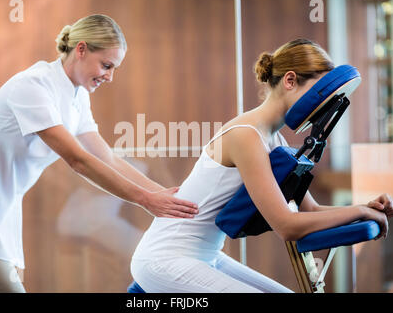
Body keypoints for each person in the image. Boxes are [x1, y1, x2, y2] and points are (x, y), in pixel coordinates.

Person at [0, 14, 198, 293]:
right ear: (81, 49)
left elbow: (106, 157)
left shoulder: (78, 96)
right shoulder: (33, 85)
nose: (110, 76)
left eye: (114, 68)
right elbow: (78, 160)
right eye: (106, 65)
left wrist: (170, 199)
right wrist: (147, 200)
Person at [130, 39, 392, 293]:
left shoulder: (272, 137)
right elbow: (287, 226)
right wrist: (358, 211)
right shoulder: (246, 135)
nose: (323, 106)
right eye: (319, 91)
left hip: (207, 255)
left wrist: (363, 210)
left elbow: (311, 210)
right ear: (290, 80)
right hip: (165, 260)